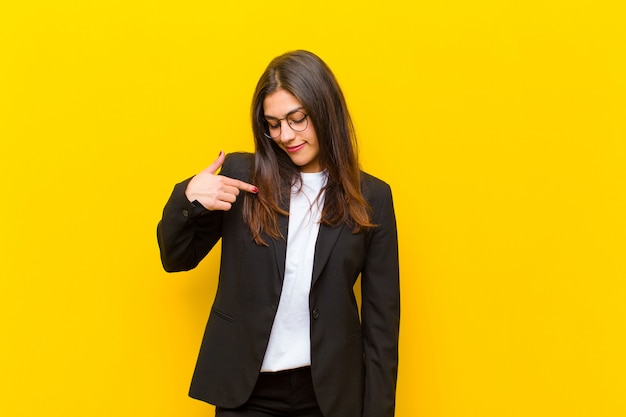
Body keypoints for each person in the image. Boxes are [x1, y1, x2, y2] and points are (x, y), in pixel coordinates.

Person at [157, 50, 400, 417]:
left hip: (328, 395)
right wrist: (188, 198)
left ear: (325, 110)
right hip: (247, 394)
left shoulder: (372, 198)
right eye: (273, 124)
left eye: (297, 119)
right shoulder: (242, 176)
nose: (285, 135)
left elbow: (382, 327)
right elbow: (176, 258)